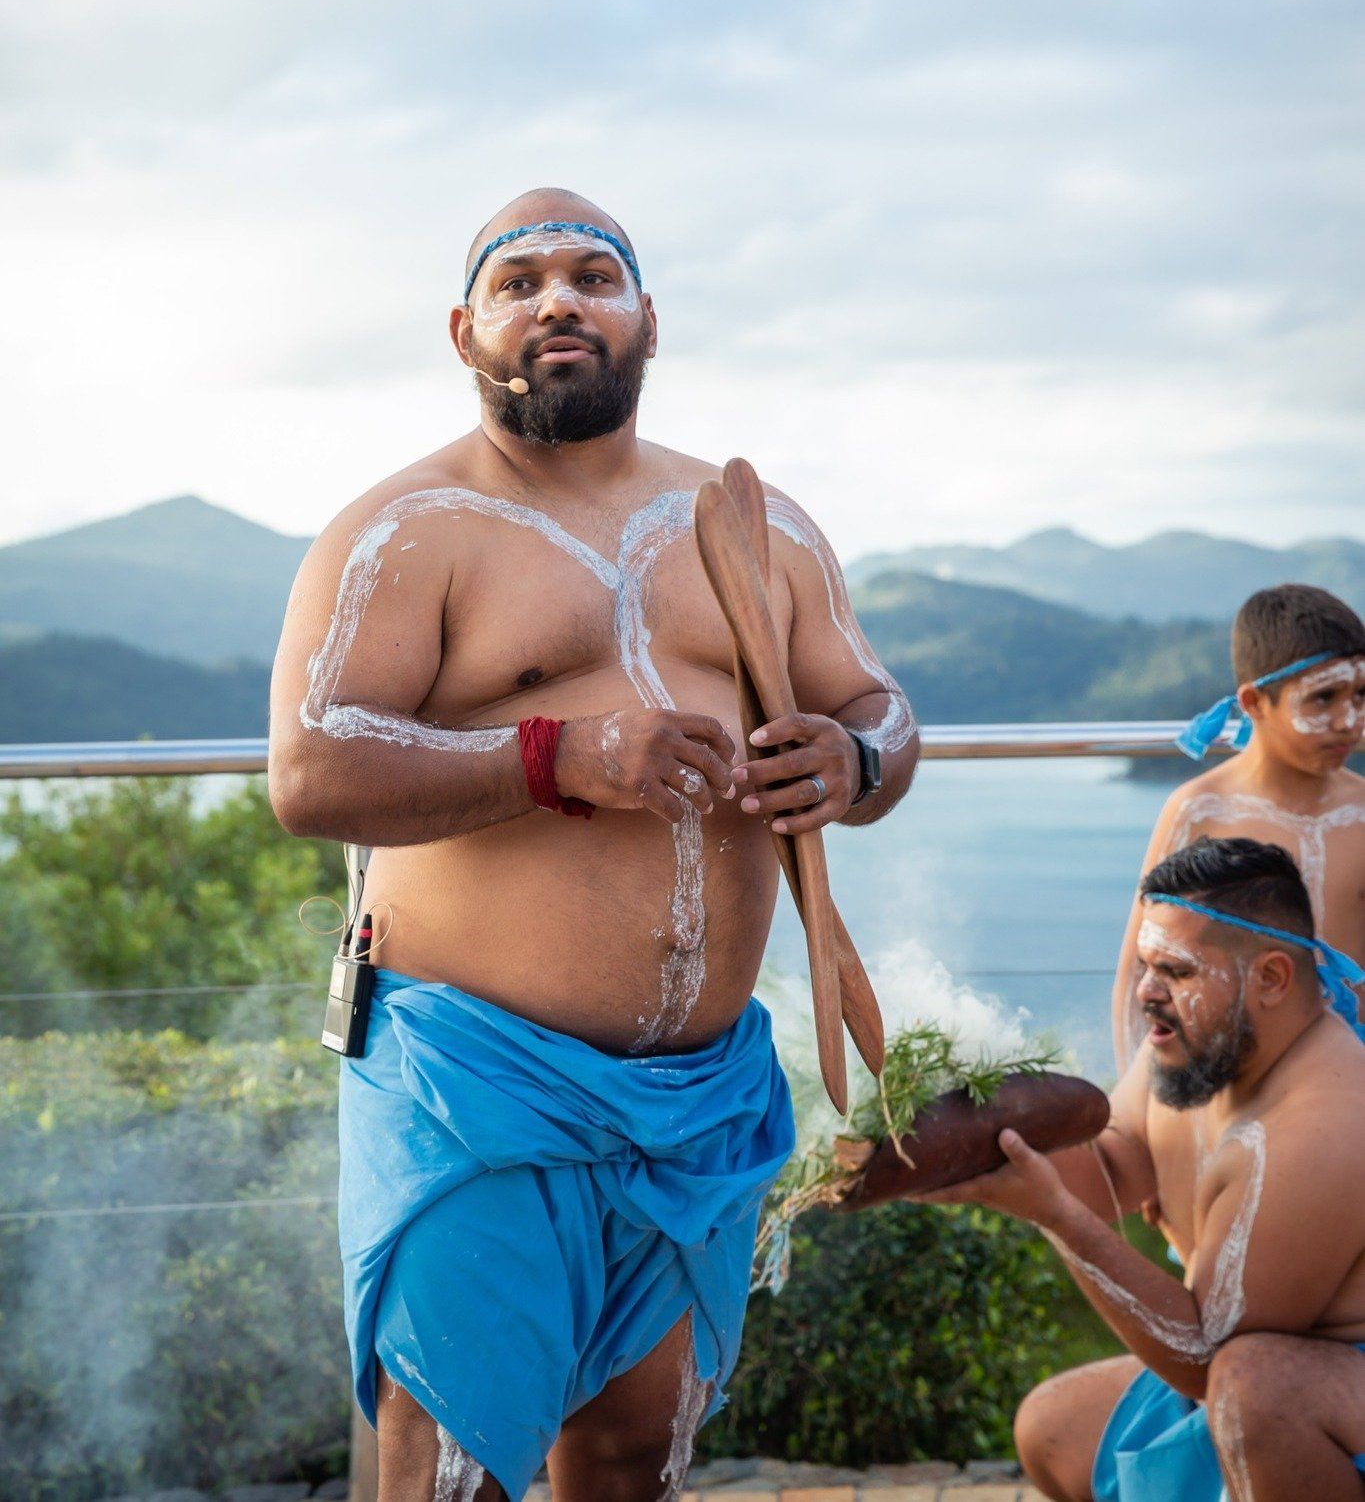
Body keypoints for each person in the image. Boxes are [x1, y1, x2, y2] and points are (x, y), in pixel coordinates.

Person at [267, 187, 919, 1501]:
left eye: (592, 276)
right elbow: (312, 768)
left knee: (632, 1460)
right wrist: (554, 756)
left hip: (699, 1099)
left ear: (648, 321)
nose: (558, 299)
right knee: (450, 1476)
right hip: (476, 1082)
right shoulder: (402, 530)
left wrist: (849, 761)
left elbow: (880, 709)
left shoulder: (762, 528)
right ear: (465, 332)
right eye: (519, 282)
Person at [928, 837, 1365, 1501]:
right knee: (1054, 1427)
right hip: (1246, 1369)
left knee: (1254, 1388)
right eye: (1144, 966)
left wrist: (1054, 1215)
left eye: (1177, 972)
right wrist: (980, 1136)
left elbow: (1202, 1357)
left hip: (1306, 1387)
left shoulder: (1328, 1123)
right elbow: (1110, 1168)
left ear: (1272, 979)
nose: (1145, 993)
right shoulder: (1198, 1044)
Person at [1112, 584, 1365, 1069]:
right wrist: (1139, 1095)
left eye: (1360, 695)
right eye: (1323, 698)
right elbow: (1140, 973)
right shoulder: (1200, 811)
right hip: (1224, 1078)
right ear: (1254, 702)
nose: (1348, 719)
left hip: (1350, 1074)